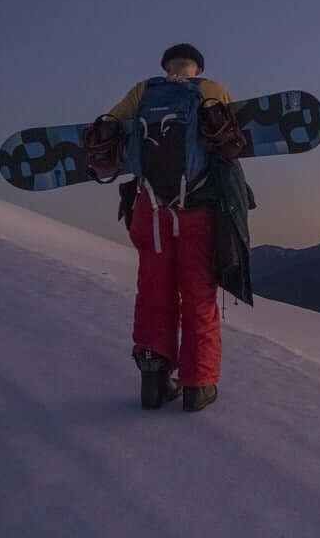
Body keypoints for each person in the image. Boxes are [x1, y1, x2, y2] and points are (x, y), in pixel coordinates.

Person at [102, 43, 254, 412]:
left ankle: (153, 383)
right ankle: (198, 387)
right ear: (197, 67)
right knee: (198, 296)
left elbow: (109, 125)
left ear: (166, 65)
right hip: (197, 212)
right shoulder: (211, 90)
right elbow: (228, 143)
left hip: (149, 212)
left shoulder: (143, 91)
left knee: (153, 292)